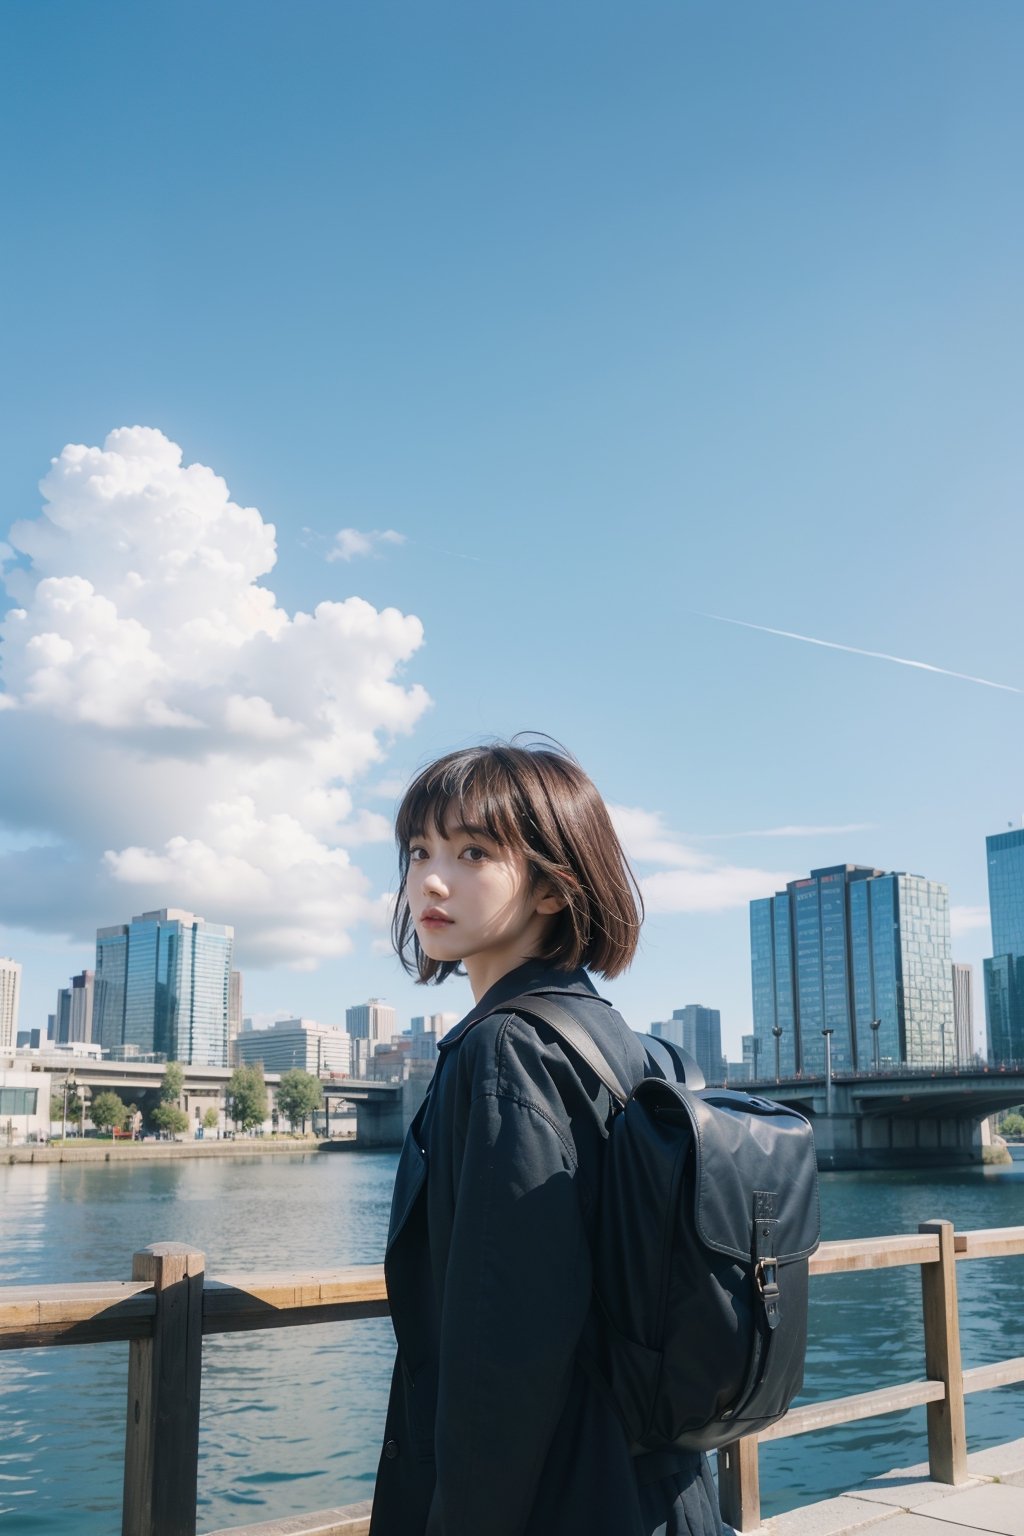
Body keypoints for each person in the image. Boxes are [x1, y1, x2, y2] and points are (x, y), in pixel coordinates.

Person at [369, 740, 724, 1536]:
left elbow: (505, 1349)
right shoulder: (625, 1045)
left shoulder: (503, 1049)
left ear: (555, 890)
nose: (429, 877)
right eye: (419, 850)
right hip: (657, 1485)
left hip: (560, 1499)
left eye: (472, 852)